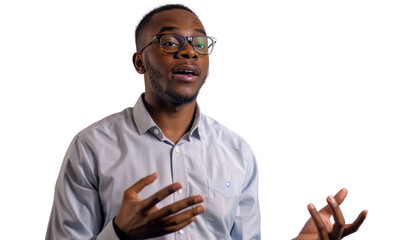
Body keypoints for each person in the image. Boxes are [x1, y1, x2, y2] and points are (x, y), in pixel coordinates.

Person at [46, 4, 367, 240]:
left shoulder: (236, 151)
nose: (189, 53)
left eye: (200, 44)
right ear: (139, 61)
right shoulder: (92, 147)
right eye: (170, 42)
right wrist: (118, 233)